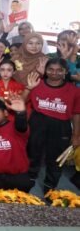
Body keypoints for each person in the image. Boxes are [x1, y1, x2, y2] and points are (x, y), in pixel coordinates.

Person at [25, 58, 80, 193]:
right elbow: (20, 101)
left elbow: (76, 114)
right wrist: (28, 87)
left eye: (59, 70)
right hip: (38, 122)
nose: (54, 73)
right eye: (50, 69)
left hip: (61, 127)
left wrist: (76, 135)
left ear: (65, 71)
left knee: (56, 159)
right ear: (46, 70)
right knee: (33, 152)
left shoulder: (74, 91)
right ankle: (30, 178)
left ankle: (50, 186)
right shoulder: (36, 84)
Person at [0, 97, 34, 193]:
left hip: (17, 177)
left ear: (6, 113)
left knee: (18, 205)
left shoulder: (15, 127)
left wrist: (21, 113)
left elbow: (21, 125)